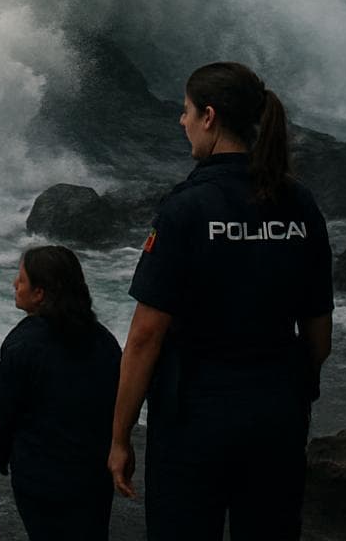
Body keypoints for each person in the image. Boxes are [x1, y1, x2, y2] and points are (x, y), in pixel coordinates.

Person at [109, 61, 333, 540]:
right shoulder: (300, 203)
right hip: (277, 414)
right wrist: (290, 391)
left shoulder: (187, 208)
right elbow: (319, 334)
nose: (182, 121)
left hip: (195, 419)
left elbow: (145, 337)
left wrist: (120, 436)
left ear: (209, 117)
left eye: (187, 111)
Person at [0, 245, 121, 540]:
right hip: (93, 473)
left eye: (21, 279)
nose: (14, 284)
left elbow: (0, 408)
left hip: (41, 477)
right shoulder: (104, 340)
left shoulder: (23, 344)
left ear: (39, 293)